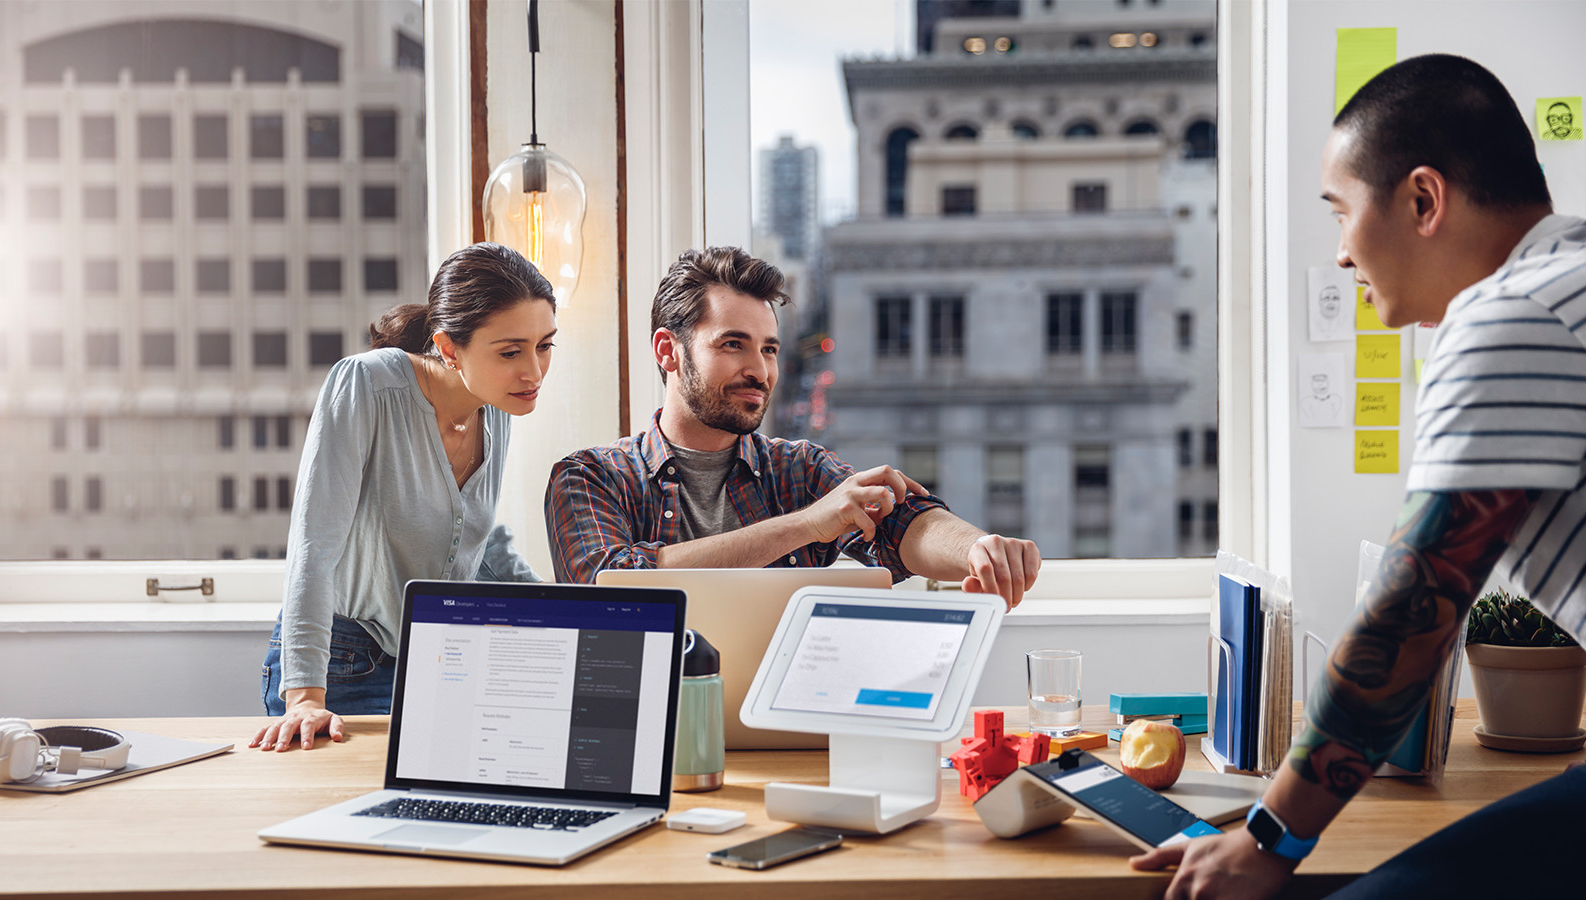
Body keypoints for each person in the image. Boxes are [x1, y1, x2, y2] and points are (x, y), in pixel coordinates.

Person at [1133, 54, 1586, 898]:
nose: (1341, 255)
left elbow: (1408, 619)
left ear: (1423, 199)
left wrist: (1268, 840)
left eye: (1341, 212)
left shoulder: (1513, 313)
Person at [544, 246, 1042, 608]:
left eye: (769, 348)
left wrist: (978, 551)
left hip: (786, 729)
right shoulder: (589, 477)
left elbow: (904, 521)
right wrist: (807, 524)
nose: (760, 371)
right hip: (641, 732)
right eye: (733, 344)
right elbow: (609, 583)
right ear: (668, 351)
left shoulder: (799, 470)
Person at [252, 243, 557, 753]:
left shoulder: (498, 404)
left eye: (545, 345)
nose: (534, 372)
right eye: (510, 351)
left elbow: (480, 547)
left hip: (440, 660)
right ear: (449, 346)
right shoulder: (368, 385)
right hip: (341, 665)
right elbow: (314, 544)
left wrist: (574, 620)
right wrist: (304, 696)